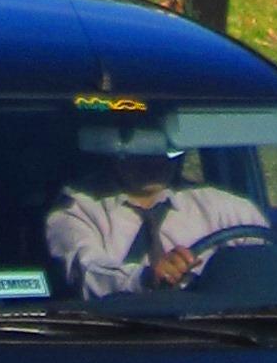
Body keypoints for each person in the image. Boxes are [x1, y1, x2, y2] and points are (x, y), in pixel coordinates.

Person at [42, 125, 264, 298]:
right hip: (117, 340)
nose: (153, 160)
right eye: (140, 149)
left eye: (165, 149)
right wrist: (146, 278)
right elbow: (88, 273)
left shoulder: (223, 207)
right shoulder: (75, 208)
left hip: (224, 337)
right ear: (114, 150)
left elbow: (271, 263)